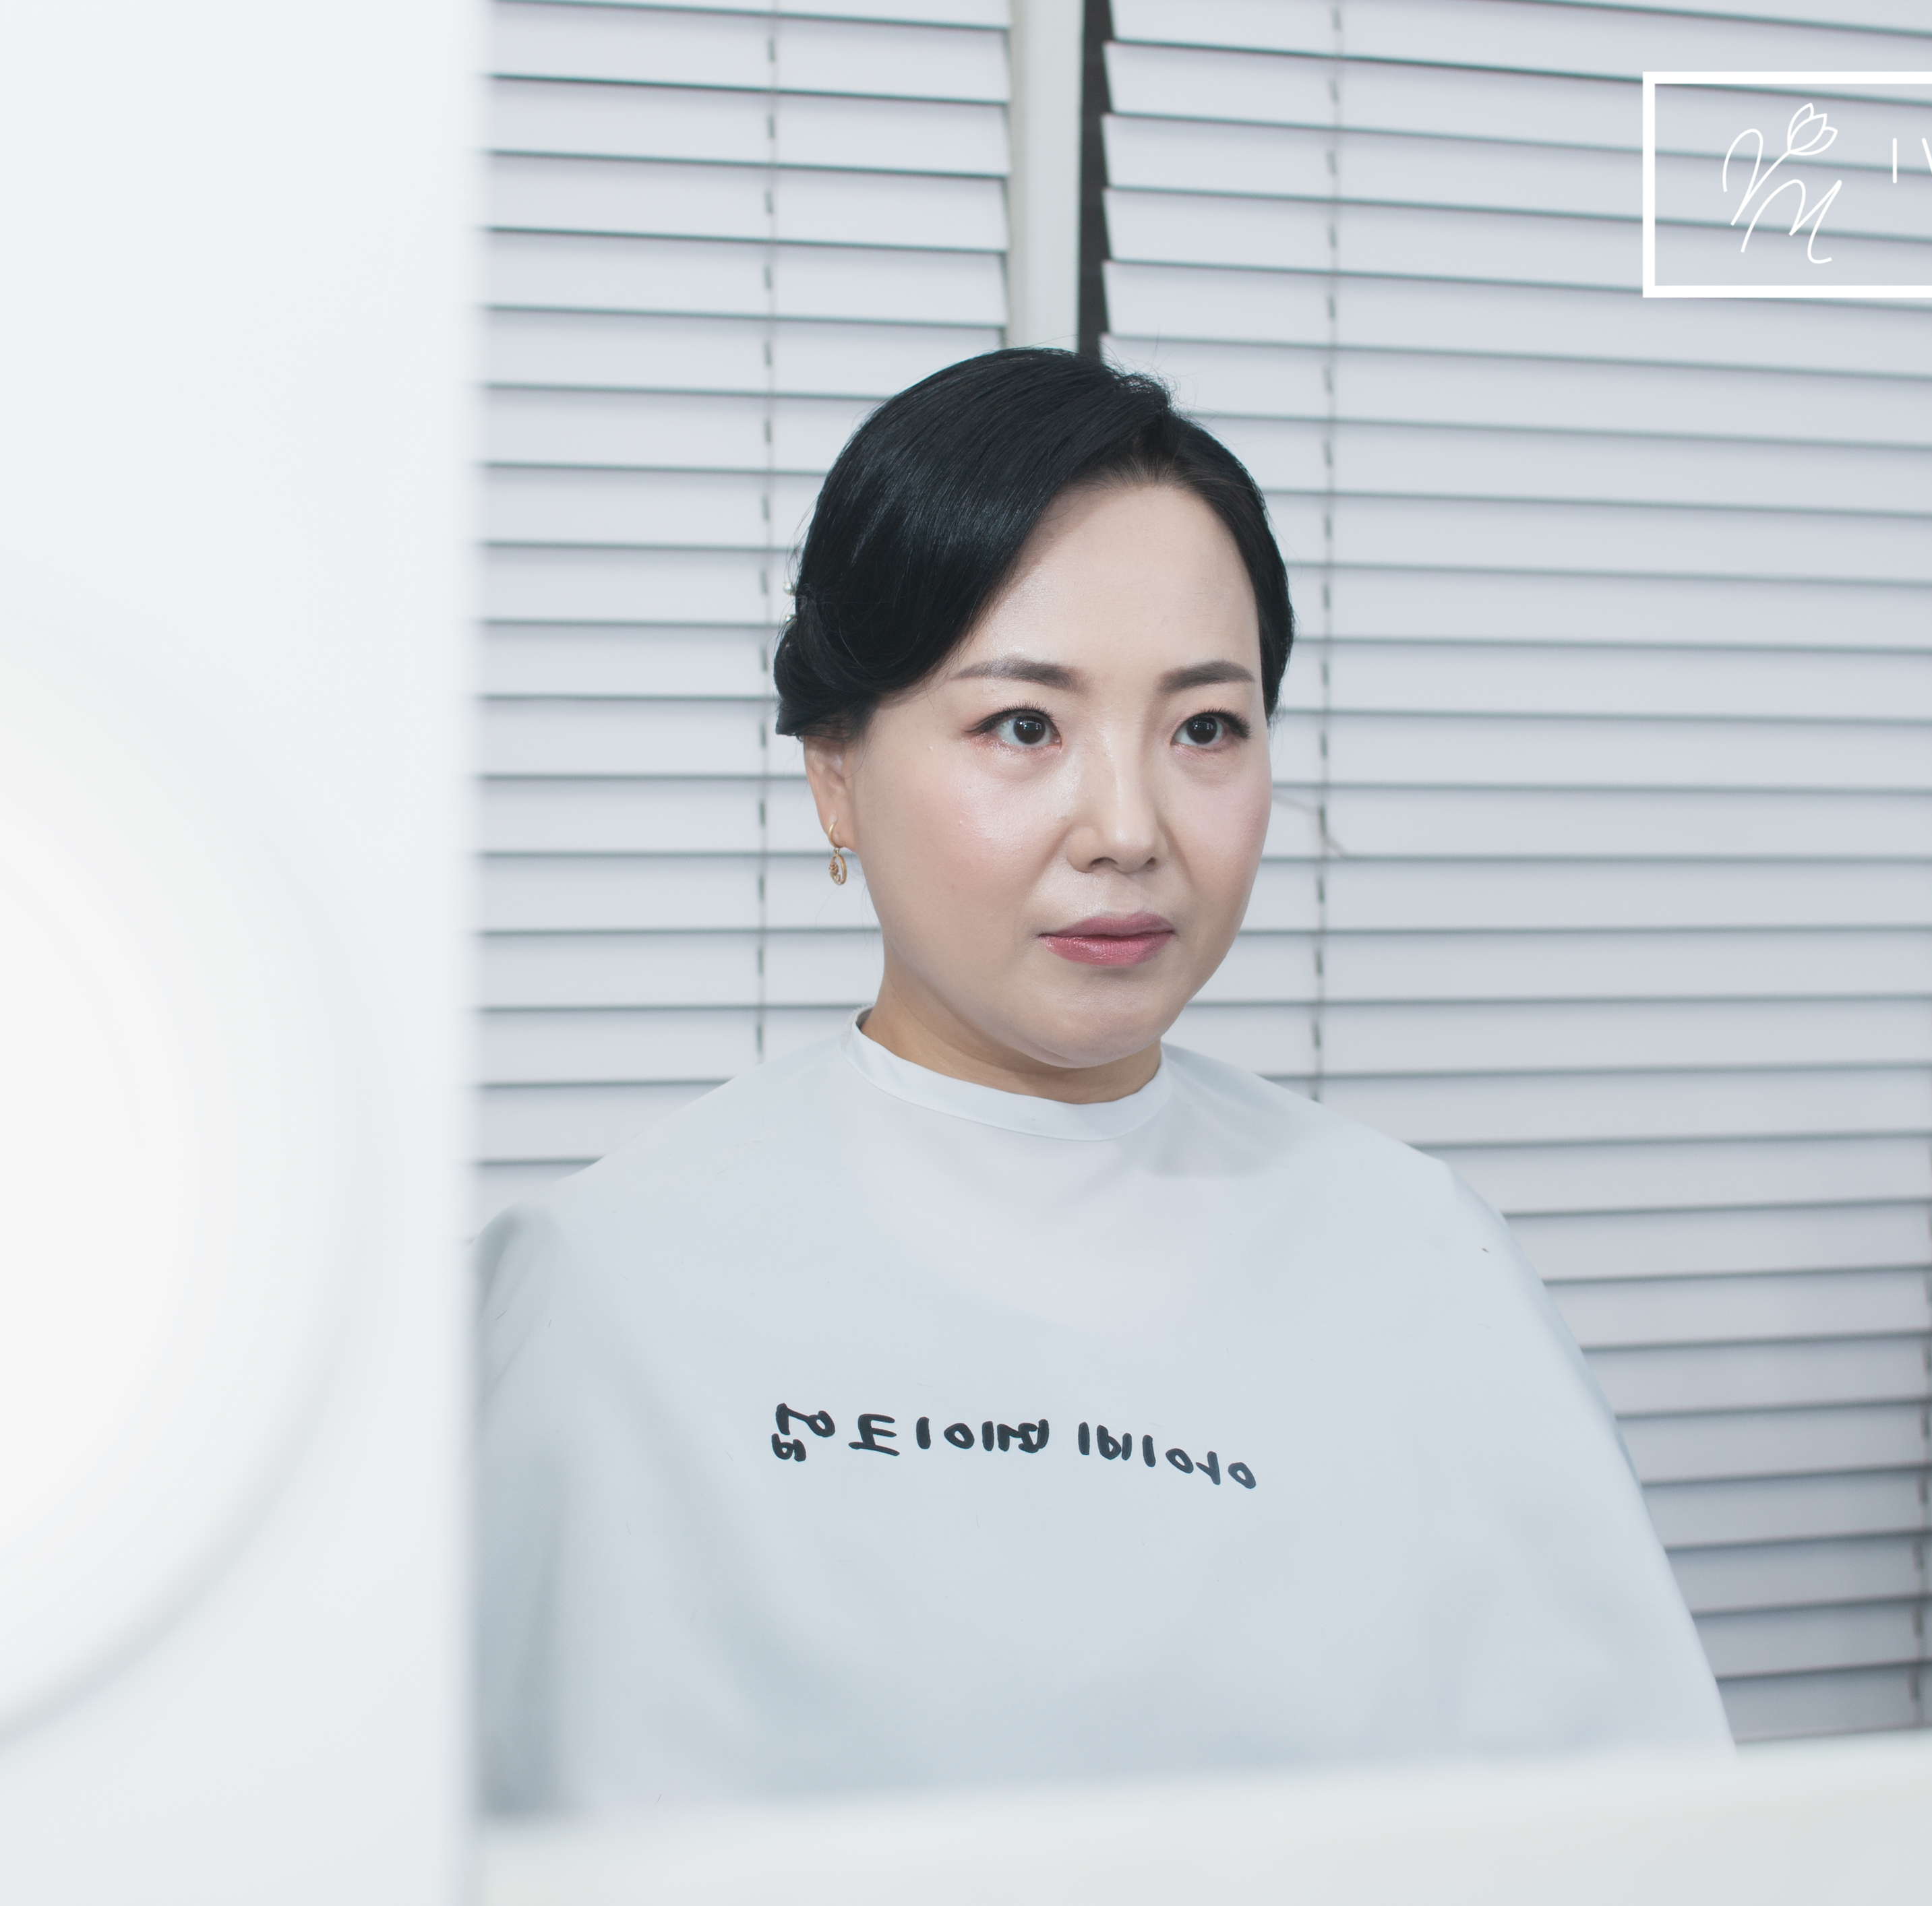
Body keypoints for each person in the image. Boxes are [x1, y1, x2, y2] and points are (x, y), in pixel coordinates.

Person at [475, 349, 1726, 1817]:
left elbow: (1643, 1832)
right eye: (1024, 726)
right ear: (835, 768)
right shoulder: (612, 1287)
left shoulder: (1419, 1255)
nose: (1128, 828)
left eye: (1205, 728)